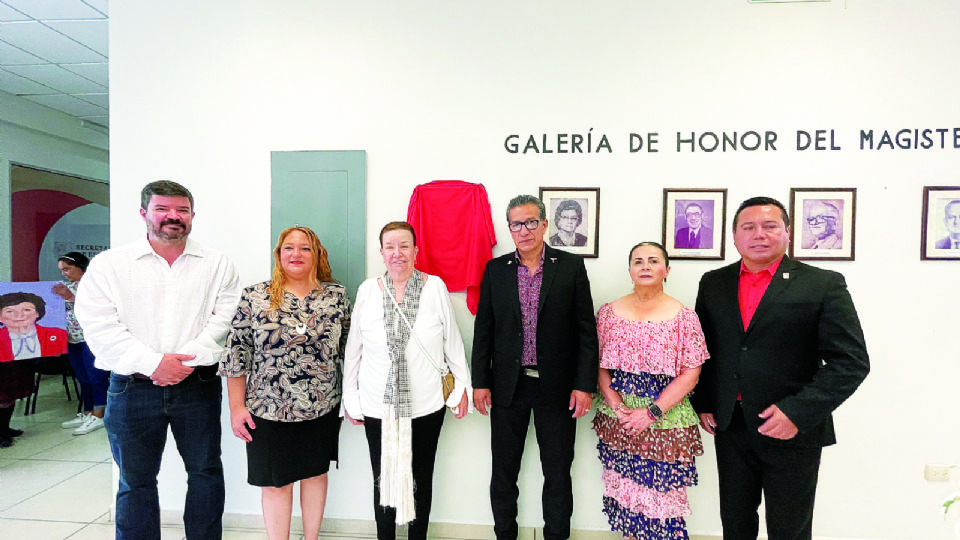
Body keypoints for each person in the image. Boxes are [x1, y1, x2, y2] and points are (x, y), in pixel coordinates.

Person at [692, 196, 869, 540]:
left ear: (787, 232)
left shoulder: (822, 283)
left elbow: (851, 362)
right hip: (731, 424)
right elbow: (706, 350)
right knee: (735, 522)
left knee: (789, 528)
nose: (759, 234)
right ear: (735, 236)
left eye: (770, 226)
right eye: (749, 227)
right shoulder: (713, 282)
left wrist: (797, 412)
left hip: (791, 427)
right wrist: (706, 403)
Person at [75, 180, 241, 540]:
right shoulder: (109, 265)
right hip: (131, 389)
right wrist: (153, 363)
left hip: (197, 386)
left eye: (182, 210)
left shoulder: (216, 264)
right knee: (135, 481)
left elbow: (224, 320)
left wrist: (182, 363)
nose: (173, 217)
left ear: (192, 216)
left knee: (205, 472)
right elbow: (99, 325)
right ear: (144, 214)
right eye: (163, 209)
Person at [472, 194, 599, 540]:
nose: (524, 230)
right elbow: (484, 329)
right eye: (516, 224)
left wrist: (584, 385)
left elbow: (586, 331)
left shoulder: (570, 267)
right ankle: (505, 535)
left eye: (531, 222)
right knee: (503, 472)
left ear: (544, 224)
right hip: (508, 385)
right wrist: (480, 381)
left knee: (557, 473)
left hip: (557, 387)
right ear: (509, 229)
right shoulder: (496, 270)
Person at [343, 221, 471, 540]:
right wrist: (350, 398)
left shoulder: (435, 287)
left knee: (420, 478)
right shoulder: (368, 290)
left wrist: (462, 389)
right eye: (390, 247)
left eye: (404, 246)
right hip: (377, 404)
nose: (397, 253)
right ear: (382, 252)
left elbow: (452, 343)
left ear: (416, 250)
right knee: (383, 476)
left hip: (427, 404)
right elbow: (354, 350)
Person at [221, 226, 350, 540]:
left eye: (305, 248)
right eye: (288, 248)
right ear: (278, 254)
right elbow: (237, 352)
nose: (296, 254)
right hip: (267, 409)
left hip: (322, 405)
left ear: (317, 254)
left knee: (316, 475)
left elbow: (352, 349)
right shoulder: (256, 296)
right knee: (276, 483)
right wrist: (236, 408)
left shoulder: (336, 296)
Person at [593, 241, 707, 540]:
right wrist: (617, 406)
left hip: (665, 420)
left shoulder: (684, 317)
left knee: (662, 495)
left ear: (666, 270)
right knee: (626, 492)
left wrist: (652, 412)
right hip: (619, 419)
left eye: (653, 260)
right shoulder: (607, 313)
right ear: (629, 270)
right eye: (638, 261)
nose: (645, 266)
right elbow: (598, 365)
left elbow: (691, 372)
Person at [0, 292, 68, 447]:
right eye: (10, 311)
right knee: (2, 398)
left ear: (37, 313)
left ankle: (4, 428)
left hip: (21, 365)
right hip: (2, 366)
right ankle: (2, 433)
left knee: (11, 397)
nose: (19, 316)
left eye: (26, 310)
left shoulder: (55, 334)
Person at [52, 252, 109, 436]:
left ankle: (99, 415)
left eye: (67, 269)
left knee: (96, 376)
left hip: (91, 339)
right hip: (72, 339)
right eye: (62, 270)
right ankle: (88, 412)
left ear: (80, 267)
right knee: (82, 376)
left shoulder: (94, 286)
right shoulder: (68, 287)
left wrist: (69, 297)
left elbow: (94, 307)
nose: (64, 274)